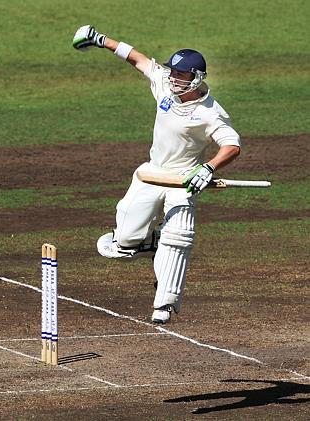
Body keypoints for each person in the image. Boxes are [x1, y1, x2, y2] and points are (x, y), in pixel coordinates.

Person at [73, 25, 241, 324]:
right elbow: (137, 58)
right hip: (151, 173)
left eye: (182, 75)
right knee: (120, 245)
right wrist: (101, 39)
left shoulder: (210, 112)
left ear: (198, 78)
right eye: (173, 73)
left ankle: (164, 303)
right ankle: (148, 242)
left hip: (184, 181)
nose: (174, 79)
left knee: (179, 238)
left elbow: (232, 145)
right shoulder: (165, 82)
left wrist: (207, 167)